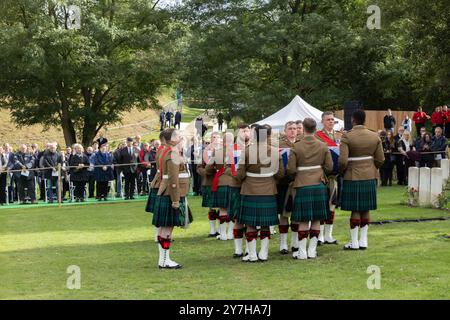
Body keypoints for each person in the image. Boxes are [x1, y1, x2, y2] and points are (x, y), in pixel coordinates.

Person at [235, 124, 282, 262]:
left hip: (249, 190)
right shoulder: (274, 151)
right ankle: (263, 253)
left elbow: (240, 174)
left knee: (250, 224)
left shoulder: (248, 151)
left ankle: (252, 254)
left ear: (255, 135)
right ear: (267, 135)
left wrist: (240, 179)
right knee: (266, 224)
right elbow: (280, 174)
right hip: (268, 190)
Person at [287, 118, 333, 259]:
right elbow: (329, 167)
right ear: (315, 129)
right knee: (316, 219)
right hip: (319, 184)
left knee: (302, 220)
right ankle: (312, 251)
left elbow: (291, 169)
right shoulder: (323, 145)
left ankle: (302, 252)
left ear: (304, 129)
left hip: (302, 184)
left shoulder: (296, 146)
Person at [339, 110, 385, 250]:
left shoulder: (347, 137)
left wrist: (341, 172)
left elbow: (342, 161)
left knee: (355, 209)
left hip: (352, 176)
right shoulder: (374, 136)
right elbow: (381, 159)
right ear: (364, 120)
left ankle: (354, 242)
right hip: (369, 175)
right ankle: (363, 241)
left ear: (353, 119)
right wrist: (371, 167)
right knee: (366, 209)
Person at [153, 128, 191, 269]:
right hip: (171, 194)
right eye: (177, 135)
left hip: (169, 193)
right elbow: (173, 180)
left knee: (165, 228)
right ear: (171, 139)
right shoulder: (172, 153)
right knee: (167, 229)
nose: (180, 136)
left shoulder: (172, 152)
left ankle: (164, 260)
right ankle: (164, 261)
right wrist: (175, 200)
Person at [315, 111, 341, 245]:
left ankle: (328, 235)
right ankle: (318, 234)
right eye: (328, 120)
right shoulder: (317, 136)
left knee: (331, 205)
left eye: (332, 120)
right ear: (322, 121)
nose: (331, 122)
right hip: (321, 175)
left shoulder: (338, 136)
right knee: (321, 205)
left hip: (333, 176)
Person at [205, 132, 235, 241]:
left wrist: (216, 170)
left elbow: (208, 168)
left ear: (223, 140)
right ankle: (231, 233)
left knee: (222, 208)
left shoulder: (217, 151)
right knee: (232, 208)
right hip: (234, 182)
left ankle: (223, 235)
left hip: (220, 181)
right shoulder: (238, 151)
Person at [228, 123, 252, 257]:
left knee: (249, 219)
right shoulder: (233, 149)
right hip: (237, 186)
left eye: (247, 131)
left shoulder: (254, 148)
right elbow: (233, 169)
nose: (246, 133)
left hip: (250, 187)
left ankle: (249, 248)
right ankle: (238, 249)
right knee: (237, 218)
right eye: (243, 131)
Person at [277, 121, 300, 256]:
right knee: (283, 214)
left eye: (295, 129)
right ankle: (283, 243)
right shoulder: (278, 145)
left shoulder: (301, 144)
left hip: (298, 182)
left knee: (296, 214)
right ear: (285, 131)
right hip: (283, 183)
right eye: (290, 129)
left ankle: (295, 242)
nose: (293, 131)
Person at [197, 132, 221, 237]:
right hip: (208, 181)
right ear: (210, 139)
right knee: (211, 206)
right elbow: (198, 167)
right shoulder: (204, 152)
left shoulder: (224, 151)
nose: (215, 139)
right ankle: (212, 230)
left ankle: (221, 230)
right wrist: (206, 172)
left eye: (217, 137)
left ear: (220, 139)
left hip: (221, 181)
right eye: (213, 137)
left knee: (221, 206)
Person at [146, 132, 168, 242]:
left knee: (158, 211)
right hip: (161, 182)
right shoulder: (163, 150)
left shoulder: (163, 150)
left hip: (159, 181)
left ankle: (160, 235)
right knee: (159, 211)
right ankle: (158, 235)